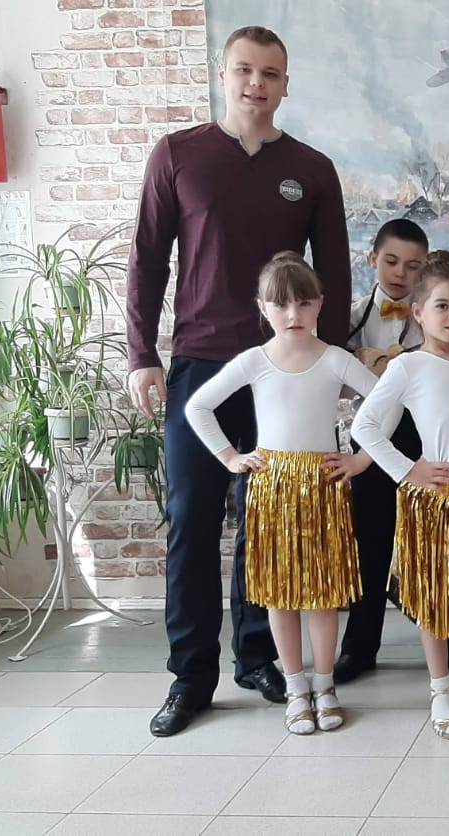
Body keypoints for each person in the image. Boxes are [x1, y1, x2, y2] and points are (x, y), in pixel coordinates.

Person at [126, 25, 351, 738]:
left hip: (287, 373)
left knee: (269, 525)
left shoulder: (312, 169)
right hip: (202, 365)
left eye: (271, 73)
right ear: (222, 74)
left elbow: (335, 275)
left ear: (286, 84)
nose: (257, 83)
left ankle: (260, 659)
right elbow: (147, 259)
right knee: (192, 519)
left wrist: (334, 370)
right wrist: (141, 353)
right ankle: (191, 677)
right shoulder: (178, 155)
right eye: (245, 70)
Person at [183, 253, 377, 735]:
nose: (294, 314)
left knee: (324, 595)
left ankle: (324, 685)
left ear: (320, 305)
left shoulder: (335, 359)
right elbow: (198, 406)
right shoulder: (254, 361)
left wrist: (361, 459)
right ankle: (295, 687)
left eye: (304, 303)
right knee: (280, 595)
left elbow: (387, 402)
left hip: (322, 486)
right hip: (272, 488)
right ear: (262, 308)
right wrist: (231, 457)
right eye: (281, 305)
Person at [350, 253, 449, 740]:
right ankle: (440, 686)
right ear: (418, 312)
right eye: (442, 306)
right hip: (435, 504)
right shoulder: (408, 366)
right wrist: (409, 470)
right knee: (435, 596)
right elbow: (365, 426)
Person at [333, 218, 429, 683]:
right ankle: (359, 647)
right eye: (391, 261)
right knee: (370, 546)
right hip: (368, 439)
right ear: (372, 259)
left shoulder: (433, 317)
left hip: (422, 438)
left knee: (430, 542)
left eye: (413, 266)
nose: (400, 273)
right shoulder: (348, 319)